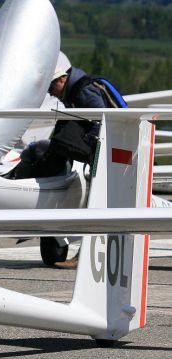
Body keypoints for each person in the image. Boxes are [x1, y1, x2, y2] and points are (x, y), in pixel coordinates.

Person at [44, 52, 123, 269]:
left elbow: (101, 121)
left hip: (112, 151)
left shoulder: (83, 90)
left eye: (52, 87)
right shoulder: (78, 89)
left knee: (97, 201)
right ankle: (89, 253)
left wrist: (92, 151)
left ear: (62, 79)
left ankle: (86, 256)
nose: (51, 93)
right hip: (113, 150)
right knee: (98, 201)